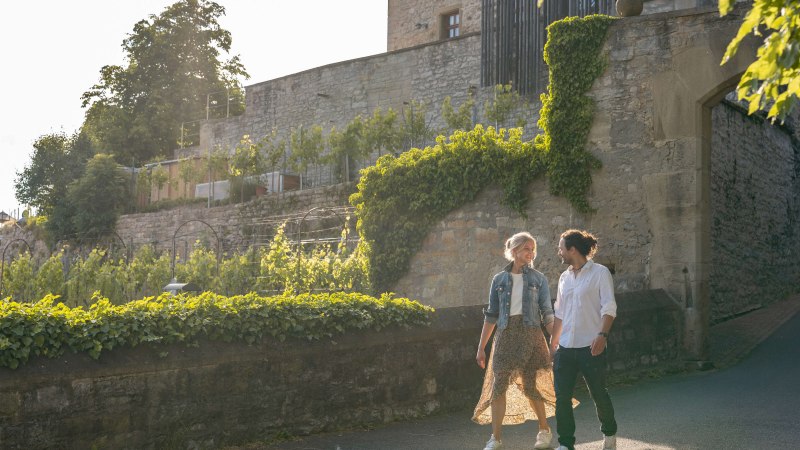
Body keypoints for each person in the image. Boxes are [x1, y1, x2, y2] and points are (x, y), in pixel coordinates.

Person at [473, 232, 573, 450]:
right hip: (505, 336)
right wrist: (481, 347)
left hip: (531, 335)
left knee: (531, 386)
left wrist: (556, 340)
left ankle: (544, 431)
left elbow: (547, 313)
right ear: (515, 250)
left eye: (532, 249)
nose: (531, 253)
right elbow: (491, 315)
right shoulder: (499, 279)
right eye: (527, 248)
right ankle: (496, 439)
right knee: (498, 387)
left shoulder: (539, 279)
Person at [550, 229, 618, 450]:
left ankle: (609, 433)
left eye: (561, 248)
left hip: (591, 346)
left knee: (598, 393)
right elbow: (559, 313)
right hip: (566, 348)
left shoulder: (600, 273)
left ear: (572, 250)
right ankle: (565, 444)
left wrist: (602, 335)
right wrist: (553, 344)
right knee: (562, 398)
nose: (558, 252)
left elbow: (609, 307)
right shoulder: (563, 277)